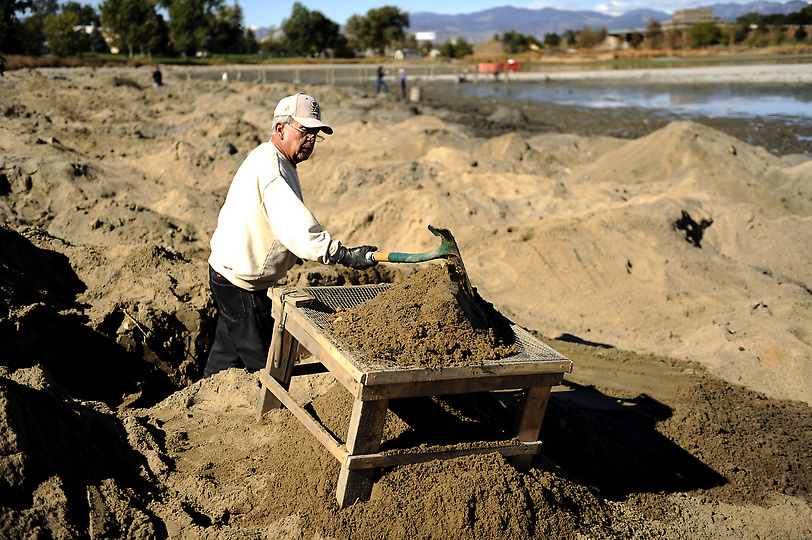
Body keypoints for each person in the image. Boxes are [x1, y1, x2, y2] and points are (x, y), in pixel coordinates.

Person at [204, 93, 378, 377]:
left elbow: (277, 225)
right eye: (304, 131)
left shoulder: (273, 159)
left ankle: (203, 397)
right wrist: (344, 255)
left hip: (228, 273)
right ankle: (273, 416)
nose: (310, 139)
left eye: (315, 134)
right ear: (280, 128)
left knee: (226, 354)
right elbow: (299, 228)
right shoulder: (272, 169)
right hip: (242, 284)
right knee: (269, 367)